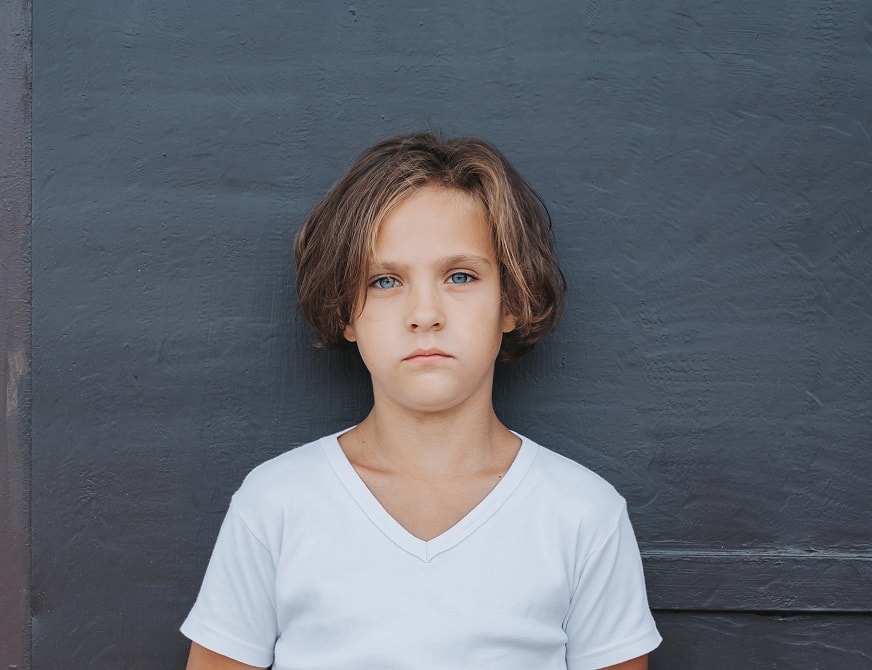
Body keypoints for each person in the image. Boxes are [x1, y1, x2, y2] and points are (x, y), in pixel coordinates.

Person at [181, 133, 662, 669]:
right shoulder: (276, 505)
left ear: (512, 300)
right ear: (346, 312)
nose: (425, 312)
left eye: (461, 276)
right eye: (386, 281)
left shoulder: (582, 515)